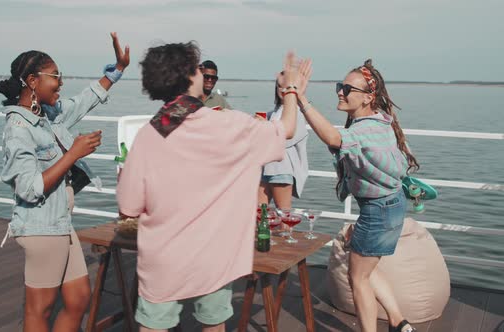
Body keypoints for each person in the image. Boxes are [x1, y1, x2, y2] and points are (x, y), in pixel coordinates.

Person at [116, 42, 310, 332]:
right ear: (189, 76)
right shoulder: (230, 125)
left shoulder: (151, 133)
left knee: (154, 326)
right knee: (213, 325)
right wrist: (291, 90)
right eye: (197, 68)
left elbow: (128, 205)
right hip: (215, 256)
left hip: (164, 258)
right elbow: (287, 129)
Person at [0, 32, 130, 331]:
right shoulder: (18, 128)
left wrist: (117, 71)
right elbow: (29, 189)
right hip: (40, 226)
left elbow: (82, 102)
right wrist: (73, 154)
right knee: (39, 310)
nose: (61, 82)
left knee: (78, 298)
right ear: (32, 81)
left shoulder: (47, 116)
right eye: (55, 76)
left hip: (59, 223)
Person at [298, 59, 418, 332]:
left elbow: (333, 139)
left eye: (347, 88)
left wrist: (301, 99)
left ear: (368, 97)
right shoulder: (380, 122)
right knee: (367, 270)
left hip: (379, 209)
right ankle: (399, 322)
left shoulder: (363, 130)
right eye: (340, 86)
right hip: (390, 204)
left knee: (358, 278)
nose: (340, 92)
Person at [257, 71, 310, 210]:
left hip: (282, 168)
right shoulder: (275, 110)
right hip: (266, 168)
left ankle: (286, 232)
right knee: (259, 212)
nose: (283, 90)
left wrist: (265, 128)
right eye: (280, 86)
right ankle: (264, 232)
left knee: (283, 213)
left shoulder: (296, 112)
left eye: (287, 87)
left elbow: (286, 138)